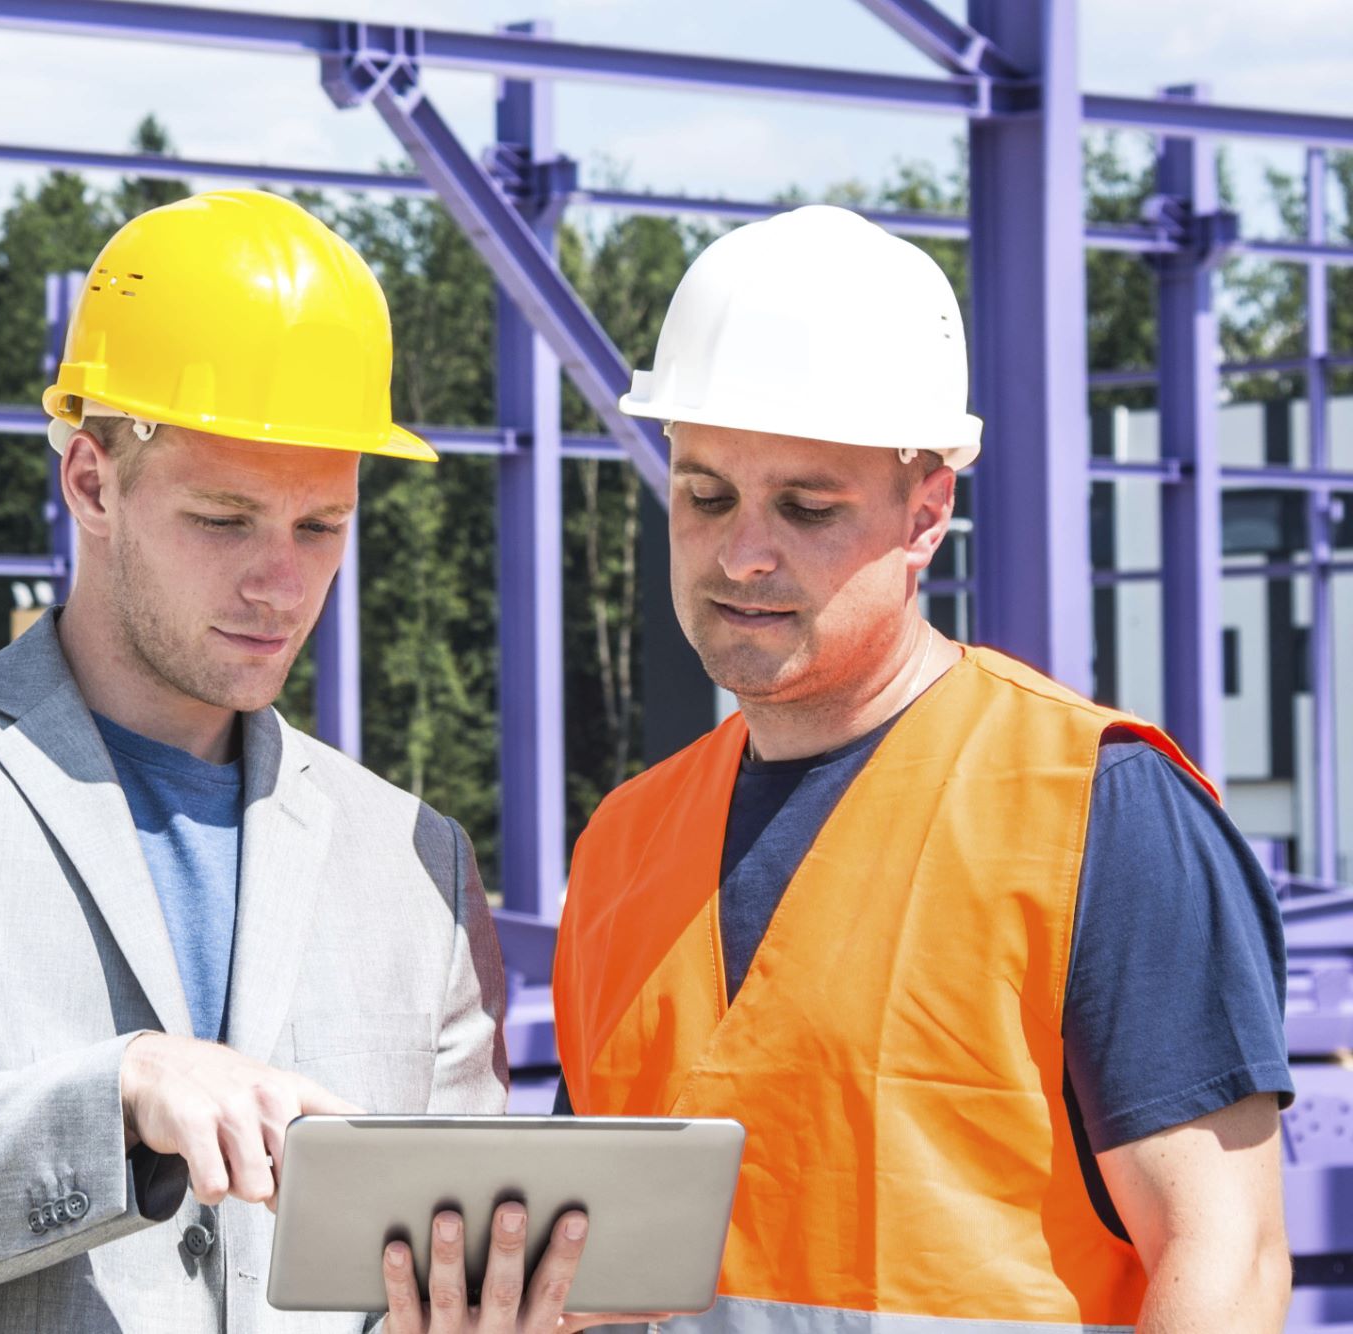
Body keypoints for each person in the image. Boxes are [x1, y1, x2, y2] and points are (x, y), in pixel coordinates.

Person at [0, 190, 593, 1333]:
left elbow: (433, 1267)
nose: (280, 582)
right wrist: (110, 1099)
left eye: (320, 526)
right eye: (223, 520)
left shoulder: (410, 855)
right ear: (89, 479)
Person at [552, 205, 1293, 1332]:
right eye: (704, 494)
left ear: (925, 513)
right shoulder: (621, 844)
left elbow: (1223, 1257)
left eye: (806, 506)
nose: (741, 551)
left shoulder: (1092, 801)